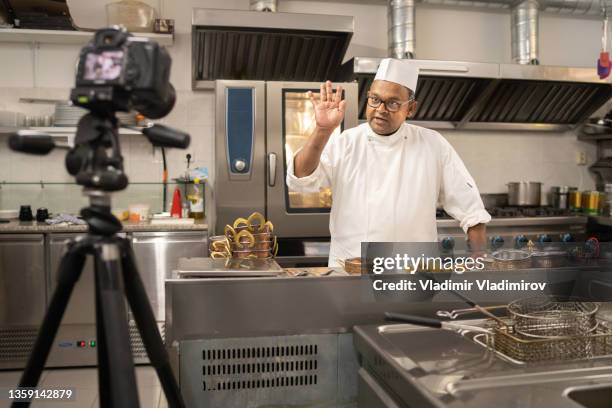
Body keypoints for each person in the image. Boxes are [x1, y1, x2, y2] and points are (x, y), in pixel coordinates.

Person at [286, 58, 491, 267]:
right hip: (352, 270)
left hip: (414, 272)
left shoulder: (433, 144)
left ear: (411, 108)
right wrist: (323, 130)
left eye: (392, 103)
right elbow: (301, 180)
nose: (380, 109)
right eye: (374, 99)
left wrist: (479, 258)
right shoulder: (346, 143)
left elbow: (472, 212)